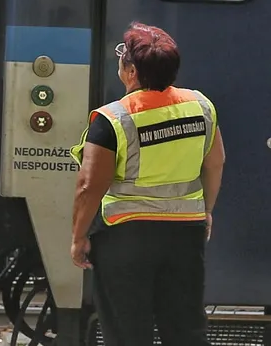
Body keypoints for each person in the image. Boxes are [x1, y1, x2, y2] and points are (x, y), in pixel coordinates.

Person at [68, 22, 226, 346]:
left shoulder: (113, 119)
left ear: (131, 71)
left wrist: (79, 236)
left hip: (126, 239)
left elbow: (89, 186)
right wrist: (206, 211)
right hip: (185, 235)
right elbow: (215, 163)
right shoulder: (200, 106)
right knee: (187, 332)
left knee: (128, 334)